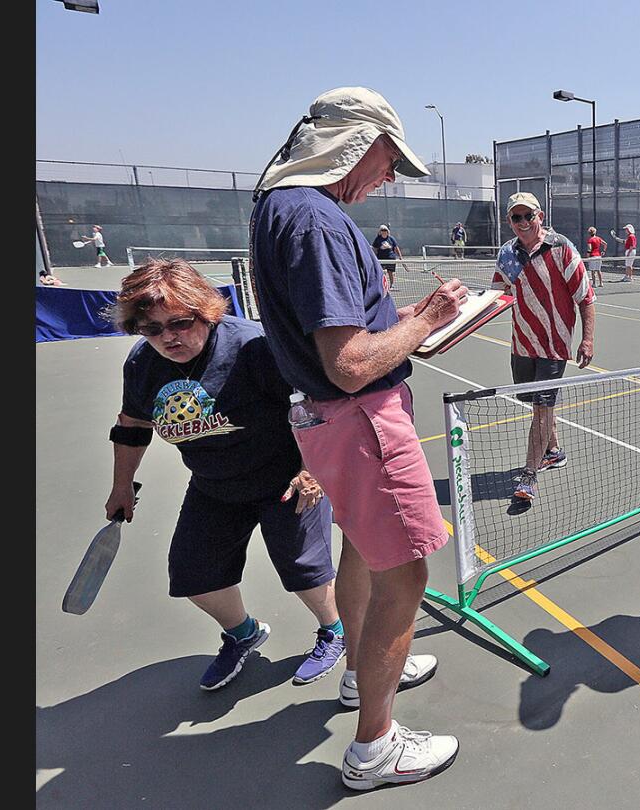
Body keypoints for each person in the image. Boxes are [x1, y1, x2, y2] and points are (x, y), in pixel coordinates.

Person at [249, 86, 462, 791]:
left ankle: (356, 675)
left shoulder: (280, 208)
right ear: (354, 144)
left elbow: (340, 334)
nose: (391, 175)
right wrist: (427, 319)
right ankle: (375, 745)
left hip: (326, 422)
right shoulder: (315, 218)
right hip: (361, 420)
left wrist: (399, 320)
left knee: (364, 551)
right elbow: (350, 366)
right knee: (406, 574)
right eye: (389, 158)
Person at [102, 258, 344, 693]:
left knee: (304, 572)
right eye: (152, 328)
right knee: (194, 575)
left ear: (205, 312)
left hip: (284, 480)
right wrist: (122, 486)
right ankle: (243, 633)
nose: (167, 337)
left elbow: (314, 406)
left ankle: (335, 629)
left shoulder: (253, 347)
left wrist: (312, 470)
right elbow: (132, 425)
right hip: (214, 484)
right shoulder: (143, 364)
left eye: (179, 322)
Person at [491, 192, 596, 501]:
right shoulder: (508, 254)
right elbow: (498, 296)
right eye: (516, 217)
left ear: (540, 216)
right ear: (509, 221)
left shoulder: (561, 248)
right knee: (536, 405)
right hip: (521, 344)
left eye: (528, 216)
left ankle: (528, 477)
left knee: (541, 409)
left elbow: (585, 297)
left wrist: (587, 339)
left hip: (554, 347)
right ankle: (553, 451)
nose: (523, 222)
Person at [371, 224, 405, 290]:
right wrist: (374, 257)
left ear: (387, 231)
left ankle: (392, 285)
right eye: (382, 230)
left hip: (391, 258)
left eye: (385, 230)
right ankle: (381, 285)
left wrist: (400, 257)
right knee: (381, 272)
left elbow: (396, 248)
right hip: (381, 259)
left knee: (390, 272)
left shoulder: (391, 238)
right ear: (380, 231)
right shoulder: (377, 239)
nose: (384, 231)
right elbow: (374, 248)